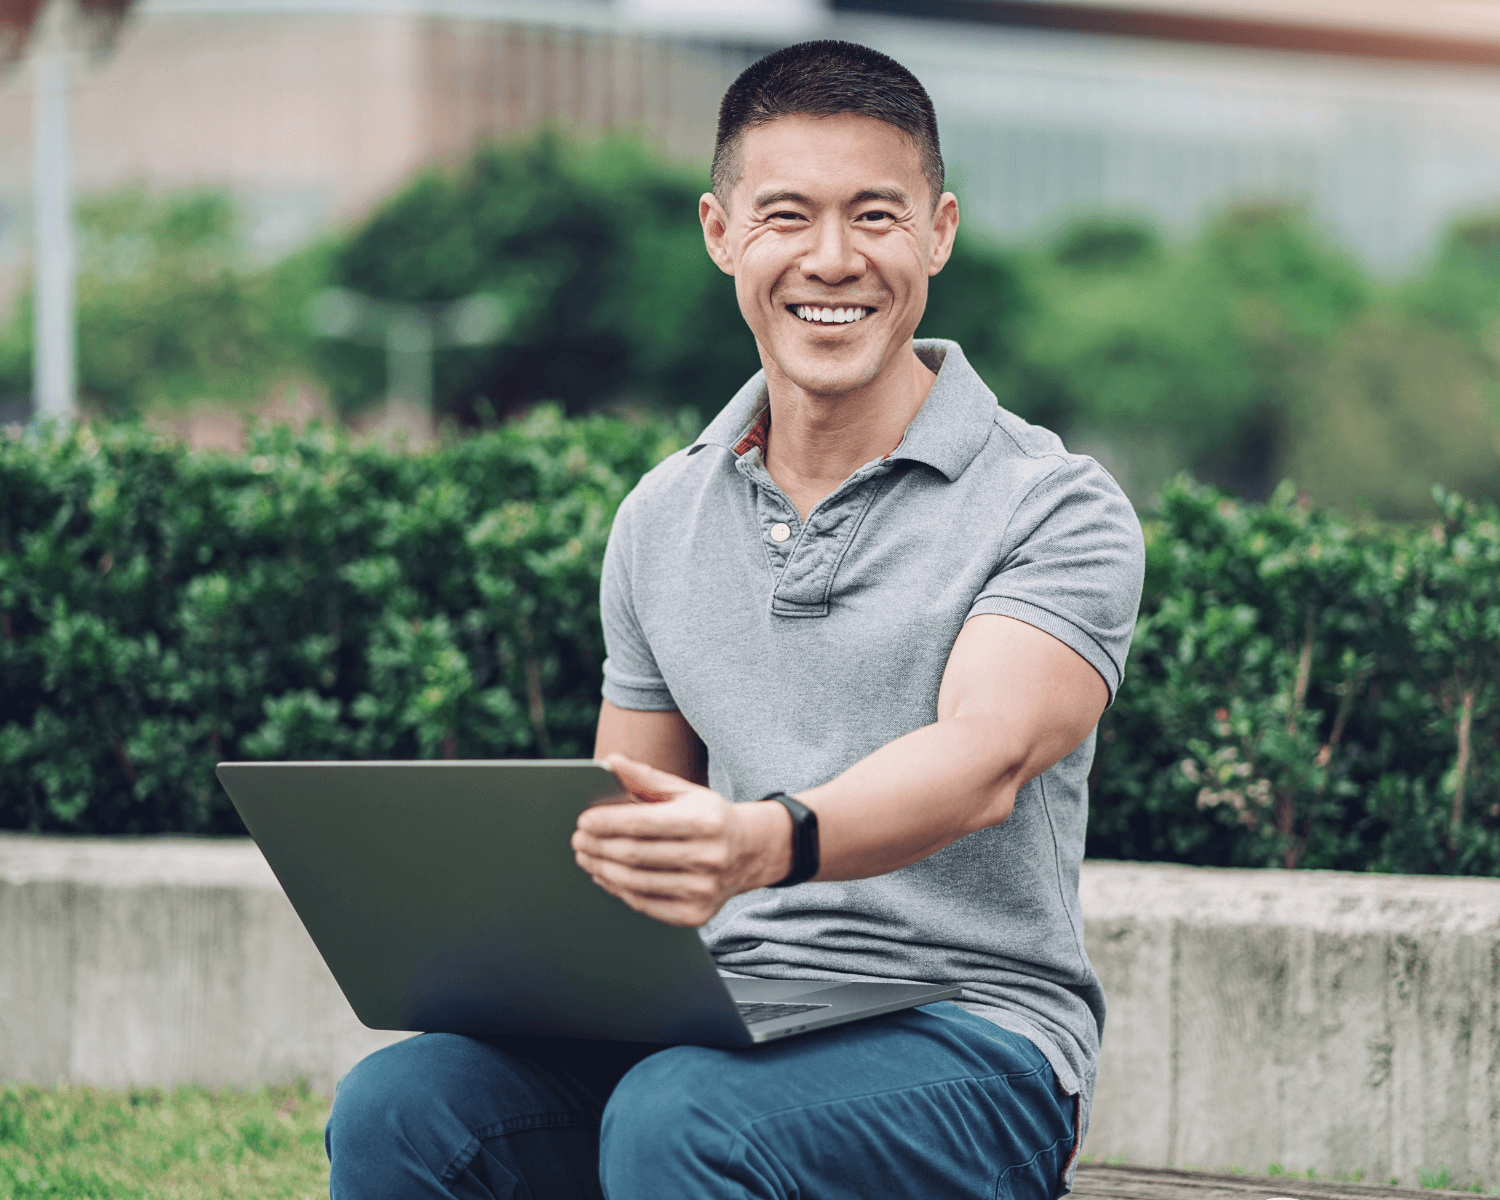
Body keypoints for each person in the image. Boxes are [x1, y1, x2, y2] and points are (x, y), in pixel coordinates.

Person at [326, 39, 1144, 1200]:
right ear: (721, 234)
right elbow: (626, 821)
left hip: (973, 1042)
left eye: (875, 215)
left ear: (938, 232)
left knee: (681, 1119)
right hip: (725, 1017)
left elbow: (987, 758)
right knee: (407, 1106)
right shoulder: (663, 515)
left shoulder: (1054, 504)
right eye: (786, 216)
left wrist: (769, 841)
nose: (831, 259)